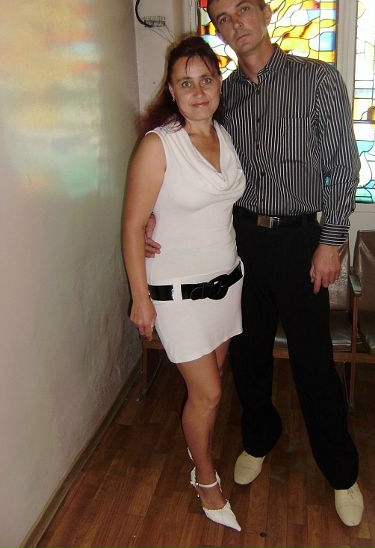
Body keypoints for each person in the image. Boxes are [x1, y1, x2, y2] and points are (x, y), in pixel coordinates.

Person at [147, 0, 364, 527]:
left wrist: (331, 240)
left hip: (300, 241)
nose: (235, 23)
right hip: (239, 239)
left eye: (243, 9)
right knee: (249, 357)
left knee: (313, 360)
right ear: (218, 30)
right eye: (222, 18)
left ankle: (341, 471)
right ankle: (259, 438)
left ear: (265, 12)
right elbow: (185, 155)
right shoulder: (222, 95)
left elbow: (344, 164)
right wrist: (151, 213)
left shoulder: (317, 79)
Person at [123, 35, 245, 532]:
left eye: (206, 80)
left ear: (219, 84)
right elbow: (133, 224)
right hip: (176, 292)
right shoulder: (159, 145)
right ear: (171, 91)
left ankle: (201, 449)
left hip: (228, 284)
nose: (198, 91)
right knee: (209, 394)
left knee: (212, 385)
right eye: (186, 83)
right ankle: (206, 477)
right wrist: (140, 299)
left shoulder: (224, 135)